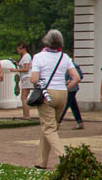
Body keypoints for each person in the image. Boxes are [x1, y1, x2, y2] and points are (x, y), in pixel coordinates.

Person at [29, 29, 80, 170]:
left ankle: (64, 157)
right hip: (62, 94)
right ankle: (41, 162)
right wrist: (66, 88)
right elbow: (76, 77)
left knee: (49, 128)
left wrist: (36, 81)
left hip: (47, 94)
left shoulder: (39, 57)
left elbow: (34, 78)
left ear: (46, 41)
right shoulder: (64, 57)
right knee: (50, 127)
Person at [59, 63, 85, 129]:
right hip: (66, 87)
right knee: (73, 106)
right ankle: (80, 122)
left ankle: (57, 122)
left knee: (64, 105)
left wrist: (69, 81)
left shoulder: (72, 65)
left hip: (71, 88)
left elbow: (80, 76)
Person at [14, 42, 33, 119]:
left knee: (23, 97)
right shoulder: (25, 57)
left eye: (20, 48)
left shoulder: (26, 56)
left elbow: (26, 69)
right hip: (26, 78)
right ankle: (26, 115)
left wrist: (15, 70)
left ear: (24, 49)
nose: (18, 50)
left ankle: (27, 116)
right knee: (24, 97)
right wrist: (18, 64)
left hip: (27, 78)